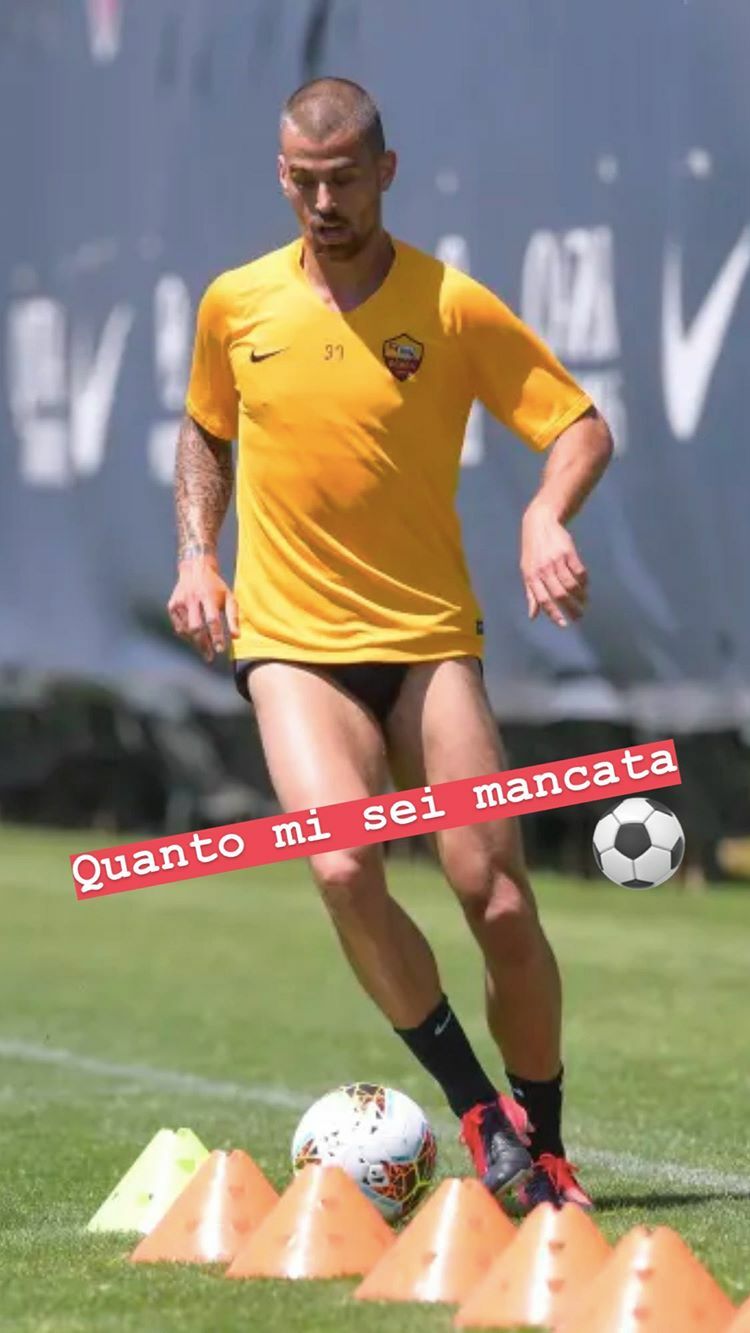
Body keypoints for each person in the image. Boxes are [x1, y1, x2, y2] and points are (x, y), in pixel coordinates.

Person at [168, 76, 614, 1212]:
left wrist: (545, 512)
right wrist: (196, 555)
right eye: (304, 182)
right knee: (340, 864)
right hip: (291, 642)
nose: (324, 204)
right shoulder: (235, 303)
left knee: (496, 897)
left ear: (386, 172)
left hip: (426, 640)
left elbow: (578, 425)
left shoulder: (450, 304)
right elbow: (206, 432)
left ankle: (547, 1143)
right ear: (282, 176)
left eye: (344, 181)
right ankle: (480, 1114)